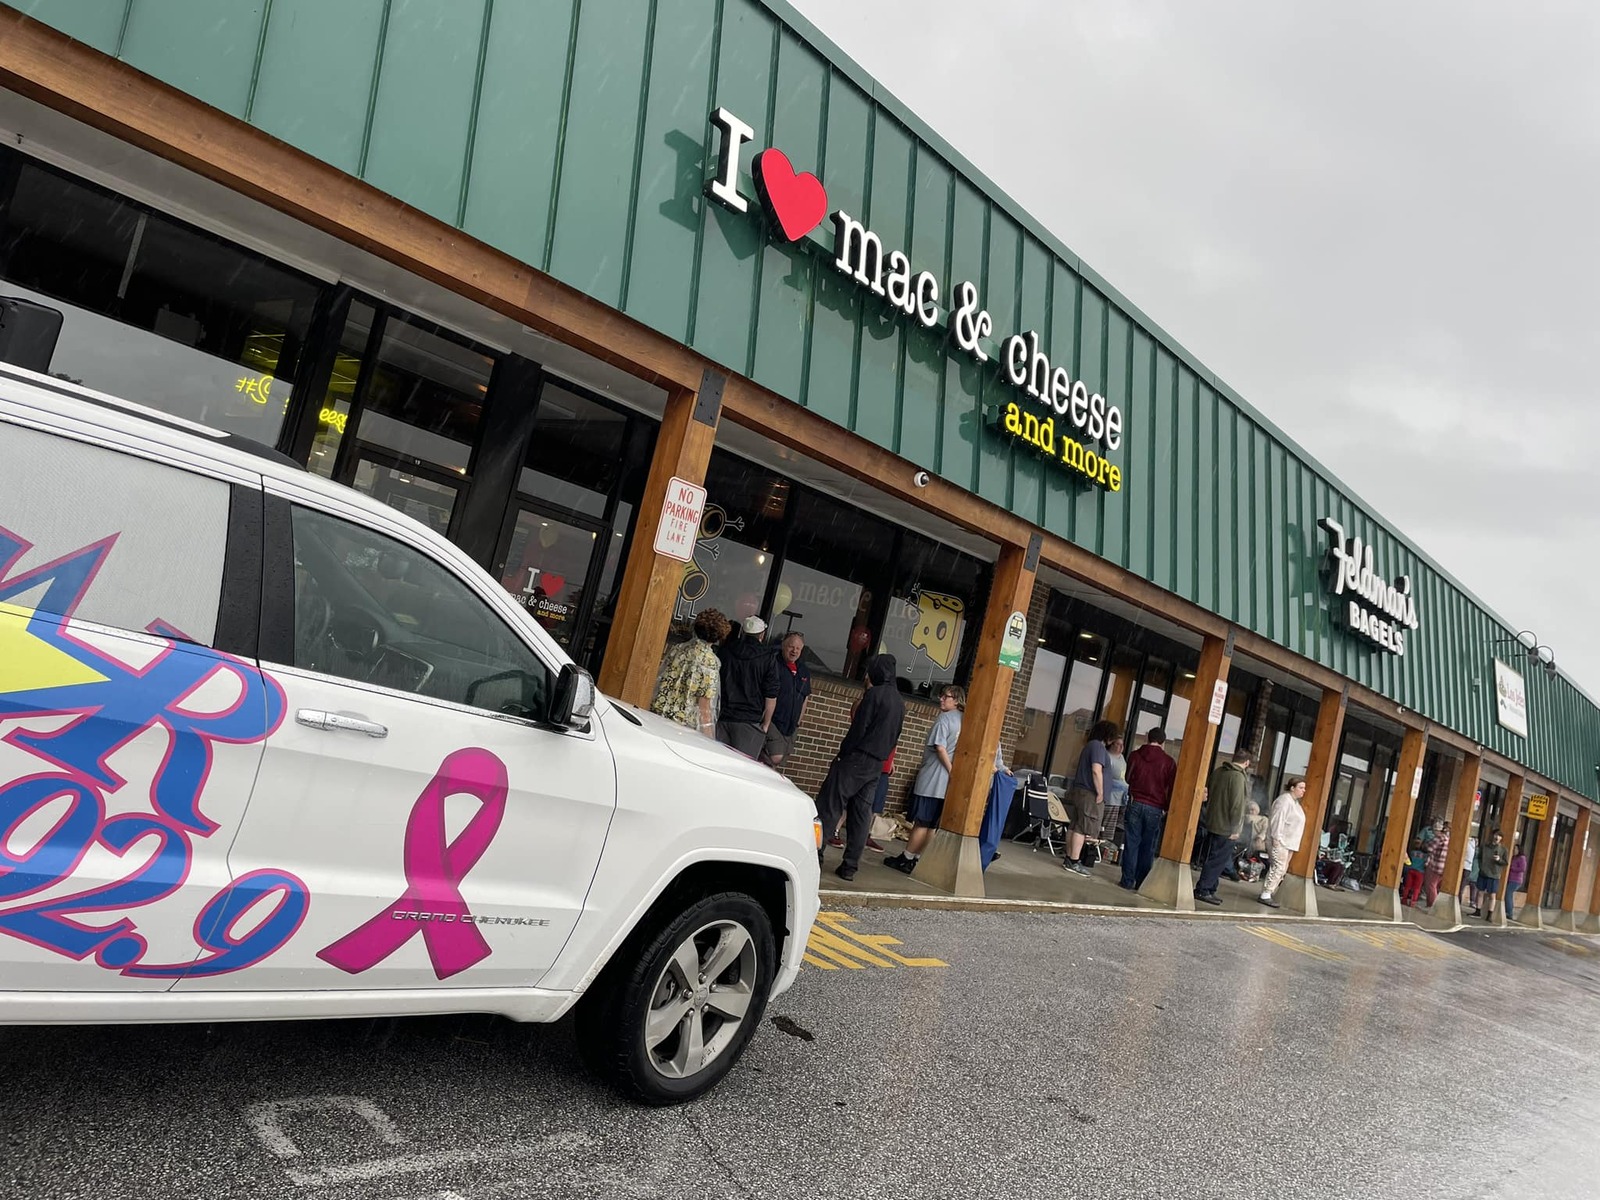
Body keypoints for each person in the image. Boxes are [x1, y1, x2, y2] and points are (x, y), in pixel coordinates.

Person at [815, 654, 905, 880]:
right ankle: (850, 866)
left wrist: (843, 754)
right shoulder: (899, 702)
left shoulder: (874, 695)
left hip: (856, 758)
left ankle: (815, 855)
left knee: (830, 806)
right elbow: (895, 736)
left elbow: (858, 730)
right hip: (876, 765)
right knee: (861, 815)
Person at [885, 685, 965, 874]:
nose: (941, 699)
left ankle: (906, 858)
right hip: (945, 786)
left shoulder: (945, 718)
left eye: (946, 696)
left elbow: (939, 746)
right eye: (941, 695)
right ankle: (918, 858)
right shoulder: (964, 720)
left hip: (933, 779)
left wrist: (951, 770)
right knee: (931, 826)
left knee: (921, 822)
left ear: (956, 700)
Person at [650, 608, 729, 737]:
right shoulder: (710, 662)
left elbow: (661, 678)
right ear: (719, 635)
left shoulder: (679, 648)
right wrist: (709, 736)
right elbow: (704, 705)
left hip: (659, 712)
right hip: (681, 724)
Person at [1119, 727, 1177, 890]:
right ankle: (1141, 882)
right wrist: (1166, 807)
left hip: (1135, 802)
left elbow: (1128, 778)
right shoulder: (1169, 762)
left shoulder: (1135, 755)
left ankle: (1127, 880)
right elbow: (1171, 788)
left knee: (1131, 842)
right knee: (1148, 846)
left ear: (1147, 738)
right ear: (1163, 742)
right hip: (1156, 807)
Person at [715, 615, 780, 758]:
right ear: (762, 635)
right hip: (749, 720)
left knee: (717, 761)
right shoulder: (767, 657)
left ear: (743, 632)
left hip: (723, 716)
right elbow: (771, 694)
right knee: (742, 765)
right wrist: (766, 724)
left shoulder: (726, 651)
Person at [1194, 751, 1252, 906]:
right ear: (1246, 762)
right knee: (1217, 860)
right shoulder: (1238, 777)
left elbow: (1210, 794)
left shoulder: (1219, 771)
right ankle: (1203, 889)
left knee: (1212, 857)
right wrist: (1235, 828)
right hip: (1226, 826)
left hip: (1212, 821)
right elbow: (1237, 805)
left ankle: (1210, 888)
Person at [1062, 720, 1119, 876]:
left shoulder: (1090, 746)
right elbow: (1096, 770)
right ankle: (1074, 861)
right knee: (1082, 828)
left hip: (1080, 791)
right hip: (1090, 793)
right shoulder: (1098, 747)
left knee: (1074, 825)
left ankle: (1069, 858)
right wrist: (1100, 792)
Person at [1256, 776, 1307, 909]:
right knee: (1278, 867)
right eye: (1301, 787)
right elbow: (1277, 820)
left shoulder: (1295, 803)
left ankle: (1269, 892)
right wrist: (1276, 838)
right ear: (1292, 788)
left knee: (1282, 868)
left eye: (1304, 788)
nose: (1303, 790)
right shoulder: (1284, 801)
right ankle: (1266, 893)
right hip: (1280, 840)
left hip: (1290, 842)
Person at [764, 630, 811, 770]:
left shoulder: (803, 670)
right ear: (783, 645)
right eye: (791, 647)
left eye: (798, 648)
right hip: (773, 721)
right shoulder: (774, 663)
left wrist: (798, 722)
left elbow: (805, 696)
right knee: (775, 756)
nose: (794, 651)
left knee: (779, 762)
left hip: (791, 726)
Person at [1101, 735, 1130, 851]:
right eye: (1118, 744)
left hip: (1121, 796)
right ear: (1111, 744)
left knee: (1116, 822)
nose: (1121, 747)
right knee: (1107, 820)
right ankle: (1102, 842)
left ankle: (1110, 843)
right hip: (1111, 795)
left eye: (1122, 745)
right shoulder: (1107, 756)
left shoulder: (1121, 758)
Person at [1476, 828, 1508, 921]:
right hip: (1483, 872)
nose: (1497, 837)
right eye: (1495, 835)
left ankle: (1489, 914)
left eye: (1499, 836)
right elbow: (1479, 857)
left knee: (1492, 895)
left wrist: (1499, 860)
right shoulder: (1485, 846)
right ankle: (1477, 910)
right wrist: (1481, 866)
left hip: (1494, 874)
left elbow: (1505, 862)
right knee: (1480, 892)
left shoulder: (1503, 849)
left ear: (1501, 838)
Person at [1422, 820, 1451, 908]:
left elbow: (1429, 848)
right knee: (1436, 885)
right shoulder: (1447, 838)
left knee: (1431, 885)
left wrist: (1424, 845)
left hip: (1435, 865)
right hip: (1443, 866)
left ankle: (1432, 906)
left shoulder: (1438, 838)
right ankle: (1431, 904)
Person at [1505, 842, 1528, 922]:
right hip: (1510, 878)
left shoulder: (1522, 858)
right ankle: (1508, 911)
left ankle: (1509, 912)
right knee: (1508, 895)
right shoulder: (1513, 857)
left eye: (1515, 849)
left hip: (1516, 880)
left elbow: (1522, 868)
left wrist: (1512, 868)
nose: (1514, 850)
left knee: (1508, 894)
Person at [1400, 839, 1427, 907]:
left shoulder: (1412, 853)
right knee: (1416, 888)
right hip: (1420, 872)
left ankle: (1404, 899)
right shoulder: (1425, 856)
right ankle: (1413, 902)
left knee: (1407, 886)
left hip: (1411, 870)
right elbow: (1426, 864)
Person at [1458, 833, 1479, 912]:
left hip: (1464, 867)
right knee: (1463, 887)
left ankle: (1459, 901)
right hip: (1469, 869)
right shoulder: (1474, 848)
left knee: (1461, 887)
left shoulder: (1468, 845)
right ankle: (1470, 901)